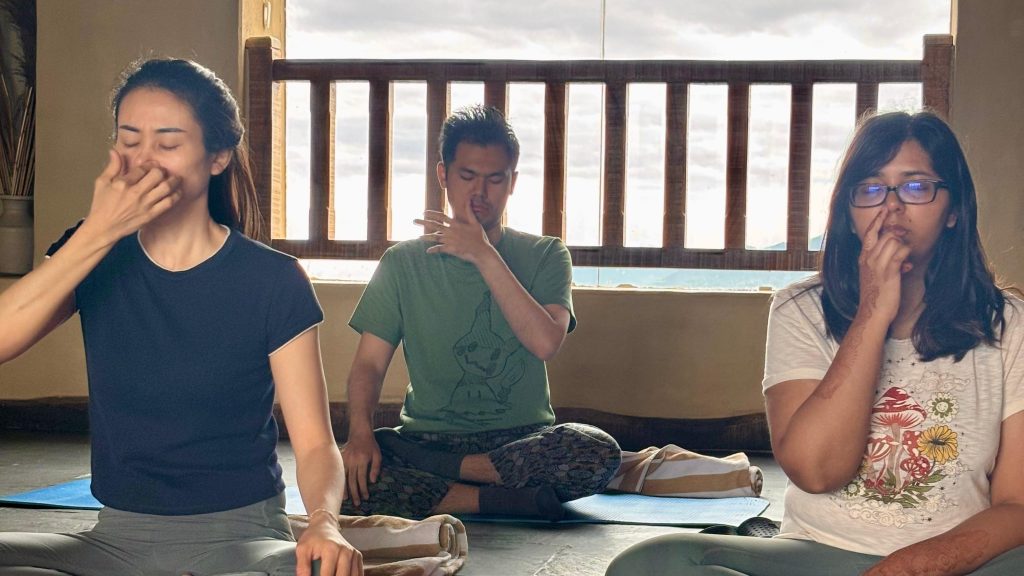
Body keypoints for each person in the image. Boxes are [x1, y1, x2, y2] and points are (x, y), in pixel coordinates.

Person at [606, 111, 1024, 575]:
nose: (890, 207)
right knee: (648, 565)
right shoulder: (800, 308)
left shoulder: (1007, 323)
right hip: (819, 555)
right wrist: (872, 313)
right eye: (870, 188)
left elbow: (1017, 504)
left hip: (950, 564)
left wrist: (912, 567)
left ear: (954, 211)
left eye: (915, 185)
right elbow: (817, 471)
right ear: (848, 213)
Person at [0, 58, 362, 576]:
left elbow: (315, 444)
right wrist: (99, 230)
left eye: (167, 144)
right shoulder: (93, 253)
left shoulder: (273, 280)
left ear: (218, 156)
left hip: (242, 543)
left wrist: (324, 521)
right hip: (115, 541)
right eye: (129, 141)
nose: (144, 160)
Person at [340, 105, 621, 521]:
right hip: (429, 438)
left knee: (597, 452)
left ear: (513, 183)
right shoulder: (402, 263)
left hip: (522, 441)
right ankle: (503, 499)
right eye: (467, 176)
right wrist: (360, 435)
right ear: (443, 176)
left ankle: (458, 481)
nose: (480, 193)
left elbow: (545, 342)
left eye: (495, 179)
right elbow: (368, 365)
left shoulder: (546, 254)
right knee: (345, 483)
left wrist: (484, 255)